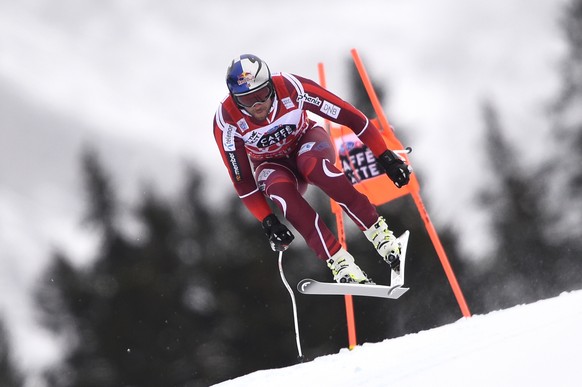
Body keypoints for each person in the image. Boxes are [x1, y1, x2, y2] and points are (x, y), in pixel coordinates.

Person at [212, 54, 411, 284]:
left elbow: (350, 116)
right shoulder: (226, 122)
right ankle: (339, 262)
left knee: (314, 167)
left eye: (261, 94)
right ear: (235, 99)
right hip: (271, 165)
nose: (258, 105)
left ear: (270, 86)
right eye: (247, 100)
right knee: (279, 191)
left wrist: (385, 156)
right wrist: (268, 221)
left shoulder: (291, 88)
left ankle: (381, 236)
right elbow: (243, 181)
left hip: (308, 143)